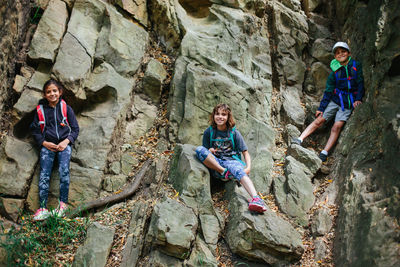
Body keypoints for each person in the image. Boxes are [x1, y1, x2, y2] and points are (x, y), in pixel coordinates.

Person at [292, 41, 364, 162]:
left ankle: (324, 152)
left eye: (343, 52)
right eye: (338, 53)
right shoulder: (334, 73)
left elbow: (360, 83)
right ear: (335, 56)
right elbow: (328, 91)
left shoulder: (356, 66)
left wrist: (358, 99)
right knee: (319, 120)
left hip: (348, 103)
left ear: (349, 53)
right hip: (335, 100)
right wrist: (321, 108)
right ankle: (300, 139)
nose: (341, 54)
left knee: (337, 126)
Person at [195, 103, 267, 213]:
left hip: (231, 162)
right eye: (217, 114)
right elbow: (205, 151)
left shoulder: (234, 132)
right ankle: (224, 172)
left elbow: (245, 152)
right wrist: (210, 151)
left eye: (223, 115)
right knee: (199, 150)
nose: (220, 117)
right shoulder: (209, 132)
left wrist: (248, 168)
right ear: (213, 116)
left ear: (228, 117)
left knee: (238, 170)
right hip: (216, 164)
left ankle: (256, 199)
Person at [31, 79, 79, 220]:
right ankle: (42, 208)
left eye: (54, 91)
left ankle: (63, 205)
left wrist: (66, 142)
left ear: (60, 92)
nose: (52, 94)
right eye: (48, 92)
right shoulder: (40, 110)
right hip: (48, 146)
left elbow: (75, 129)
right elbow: (35, 130)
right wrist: (44, 143)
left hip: (64, 146)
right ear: (44, 95)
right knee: (45, 174)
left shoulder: (66, 109)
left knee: (64, 171)